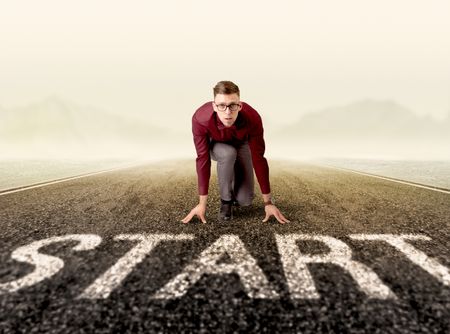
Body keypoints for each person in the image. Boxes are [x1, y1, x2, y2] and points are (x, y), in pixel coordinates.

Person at [181, 80, 290, 224]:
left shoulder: (253, 118)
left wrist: (268, 203)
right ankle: (226, 201)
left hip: (241, 143)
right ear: (214, 106)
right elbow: (202, 158)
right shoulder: (201, 119)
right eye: (221, 106)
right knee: (228, 153)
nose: (228, 112)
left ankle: (235, 189)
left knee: (245, 201)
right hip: (217, 145)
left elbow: (259, 158)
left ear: (240, 105)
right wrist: (202, 204)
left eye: (233, 105)